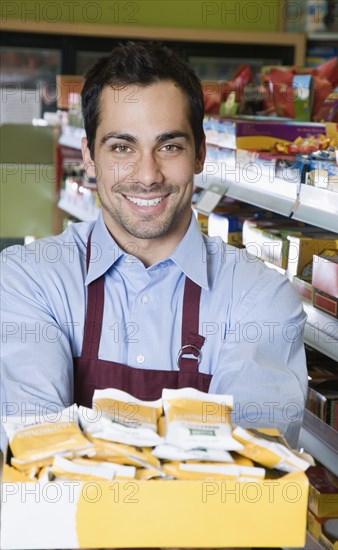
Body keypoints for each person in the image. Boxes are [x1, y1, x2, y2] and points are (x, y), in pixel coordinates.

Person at [0, 41, 307, 450]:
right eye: (122, 147)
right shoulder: (30, 279)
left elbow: (246, 471)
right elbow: (37, 452)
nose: (147, 175)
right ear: (89, 157)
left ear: (199, 153)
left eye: (169, 146)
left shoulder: (262, 299)